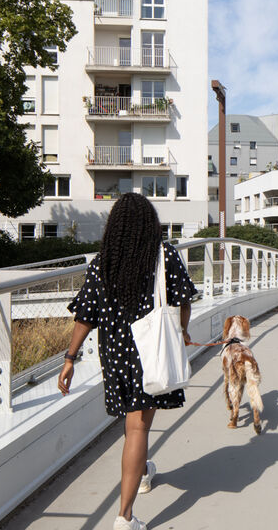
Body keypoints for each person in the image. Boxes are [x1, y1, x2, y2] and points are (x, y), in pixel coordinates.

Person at [58, 193, 198, 530]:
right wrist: (182, 331)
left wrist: (70, 359)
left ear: (115, 226)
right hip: (150, 351)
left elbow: (85, 316)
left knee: (131, 422)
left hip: (116, 353)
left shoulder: (104, 261)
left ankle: (143, 472)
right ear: (150, 224)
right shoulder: (164, 256)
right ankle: (124, 517)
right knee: (139, 426)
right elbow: (183, 299)